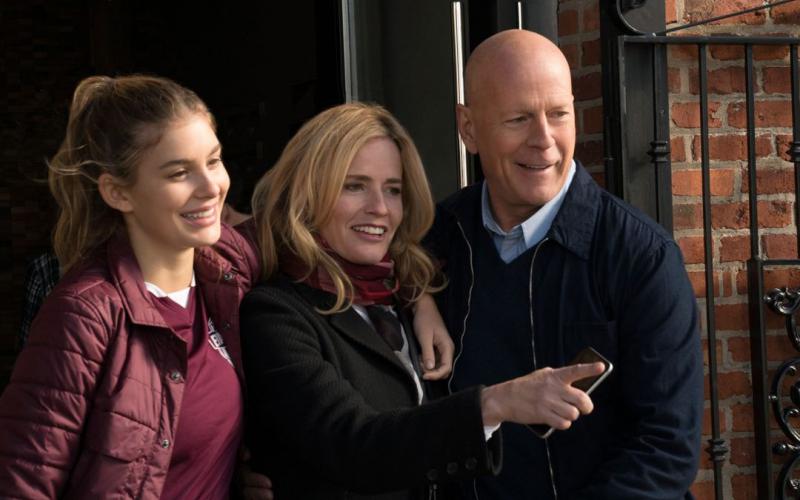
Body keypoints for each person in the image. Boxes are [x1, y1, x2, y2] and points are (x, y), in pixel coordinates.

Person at [239, 102, 605, 500]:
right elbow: (352, 444)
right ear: (308, 193)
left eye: (393, 189)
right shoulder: (274, 314)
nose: (380, 208)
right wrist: (495, 403)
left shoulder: (405, 295)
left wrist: (420, 297)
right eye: (354, 185)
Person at [424, 30, 703, 499]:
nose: (544, 140)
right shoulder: (436, 242)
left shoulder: (641, 256)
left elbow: (664, 449)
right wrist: (417, 295)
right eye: (518, 118)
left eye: (558, 114)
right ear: (468, 128)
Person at [0, 75, 274, 499]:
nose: (211, 187)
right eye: (179, 172)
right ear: (118, 193)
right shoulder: (84, 314)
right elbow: (22, 484)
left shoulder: (228, 268)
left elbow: (326, 224)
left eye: (214, 161)